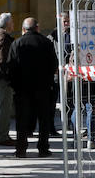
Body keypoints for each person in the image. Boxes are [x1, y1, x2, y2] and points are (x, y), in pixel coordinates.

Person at [6, 17, 57, 158]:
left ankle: (21, 148)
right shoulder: (46, 43)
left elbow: (10, 66)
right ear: (37, 28)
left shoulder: (17, 43)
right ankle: (43, 148)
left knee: (21, 120)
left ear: (23, 29)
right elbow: (54, 65)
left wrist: (14, 84)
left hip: (22, 89)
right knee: (44, 119)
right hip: (43, 88)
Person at [0, 13, 16, 147]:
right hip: (3, 80)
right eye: (11, 22)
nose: (13, 24)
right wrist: (8, 77)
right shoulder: (3, 38)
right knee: (4, 108)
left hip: (1, 78)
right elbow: (2, 61)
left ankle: (3, 133)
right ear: (7, 24)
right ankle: (3, 136)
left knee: (4, 107)